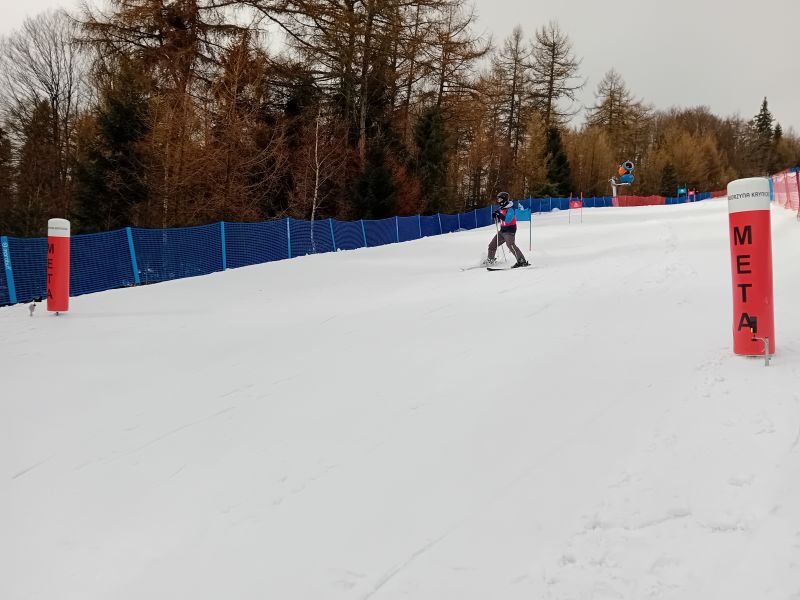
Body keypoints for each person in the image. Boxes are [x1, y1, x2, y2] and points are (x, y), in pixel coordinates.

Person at [485, 192, 530, 268]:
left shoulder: (511, 209)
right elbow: (501, 216)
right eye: (498, 199)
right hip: (502, 231)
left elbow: (507, 220)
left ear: (504, 200)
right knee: (492, 245)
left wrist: (499, 215)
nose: (498, 201)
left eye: (500, 199)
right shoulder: (502, 208)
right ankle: (490, 260)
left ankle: (521, 261)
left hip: (509, 231)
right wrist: (495, 215)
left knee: (511, 245)